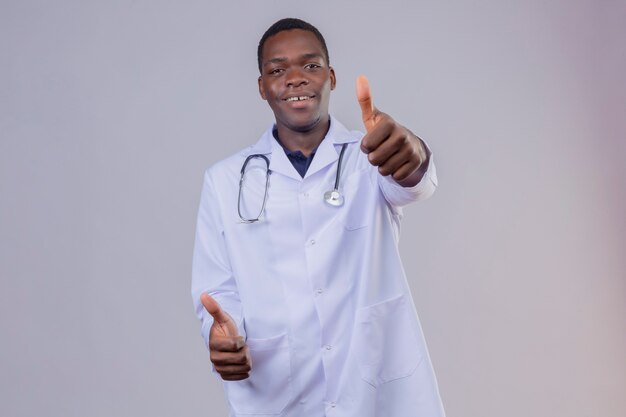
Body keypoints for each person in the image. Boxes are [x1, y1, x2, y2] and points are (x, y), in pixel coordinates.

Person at [192, 17, 445, 417]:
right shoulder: (225, 181)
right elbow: (217, 290)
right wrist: (222, 338)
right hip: (278, 392)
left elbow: (414, 182)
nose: (294, 79)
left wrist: (413, 150)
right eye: (277, 70)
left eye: (309, 66)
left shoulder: (370, 159)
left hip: (372, 389)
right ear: (262, 87)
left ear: (331, 77)